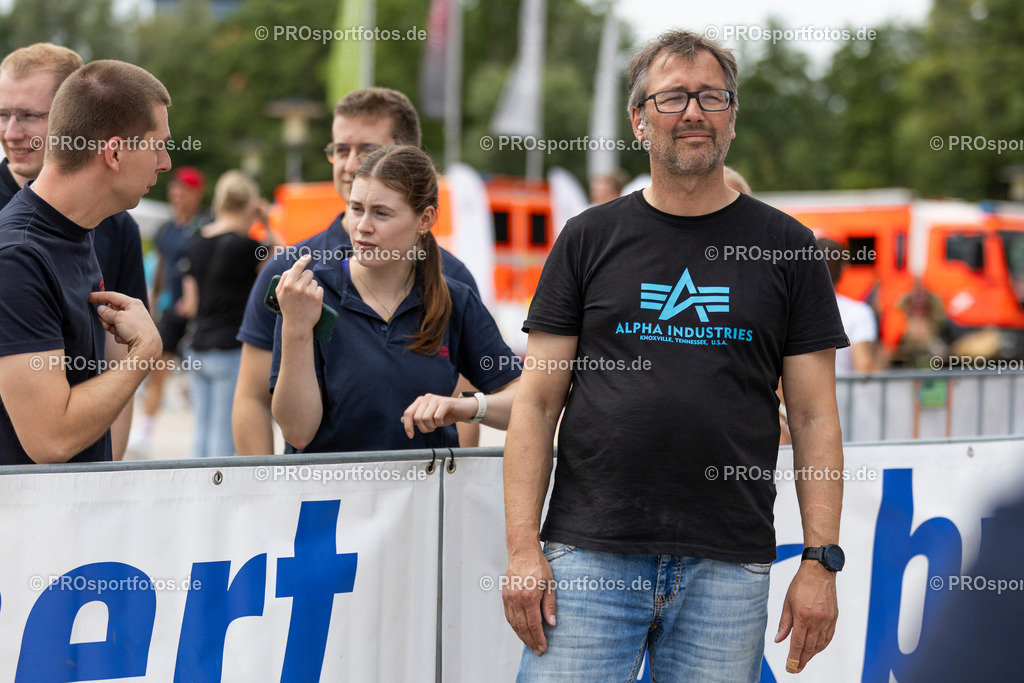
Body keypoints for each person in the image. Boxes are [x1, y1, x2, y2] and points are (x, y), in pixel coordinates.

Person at [502, 30, 849, 681]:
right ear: (638, 120)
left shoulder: (790, 249)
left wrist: (819, 557)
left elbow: (813, 416)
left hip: (729, 564)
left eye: (712, 96)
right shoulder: (586, 240)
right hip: (590, 553)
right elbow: (538, 400)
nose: (694, 112)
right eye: (673, 97)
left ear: (733, 118)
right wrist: (523, 549)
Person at [233, 87, 481, 455]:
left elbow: (465, 399)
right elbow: (251, 399)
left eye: (367, 150)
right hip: (322, 502)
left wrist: (452, 484)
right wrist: (265, 497)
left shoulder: (451, 278)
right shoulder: (290, 270)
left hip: (421, 498)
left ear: (405, 156)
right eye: (340, 150)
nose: (350, 164)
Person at [271, 145, 520, 452]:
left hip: (421, 495)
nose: (362, 226)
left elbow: (526, 401)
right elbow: (297, 433)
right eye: (356, 208)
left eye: (381, 213)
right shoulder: (311, 292)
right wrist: (295, 328)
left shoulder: (454, 299)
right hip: (331, 497)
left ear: (425, 219)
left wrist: (467, 407)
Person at [0, 59, 171, 464]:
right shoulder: (18, 257)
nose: (165, 162)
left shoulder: (76, 230)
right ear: (114, 153)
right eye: (158, 144)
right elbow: (51, 439)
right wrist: (145, 352)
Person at [176, 171, 266, 457]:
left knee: (201, 430)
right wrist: (266, 223)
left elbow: (190, 304)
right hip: (230, 347)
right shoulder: (250, 248)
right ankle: (219, 497)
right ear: (250, 205)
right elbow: (282, 262)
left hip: (198, 345)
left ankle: (197, 495)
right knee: (224, 433)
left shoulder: (197, 241)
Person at [132, 166, 208, 451]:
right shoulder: (166, 228)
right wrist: (152, 303)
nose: (177, 196)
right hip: (173, 312)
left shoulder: (206, 224)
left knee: (202, 375)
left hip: (202, 313)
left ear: (197, 193)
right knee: (158, 367)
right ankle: (146, 430)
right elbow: (161, 269)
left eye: (184, 191)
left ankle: (203, 439)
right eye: (174, 191)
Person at [819, 237, 878, 374]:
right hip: (842, 394)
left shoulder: (791, 310)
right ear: (842, 268)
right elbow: (864, 365)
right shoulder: (859, 312)